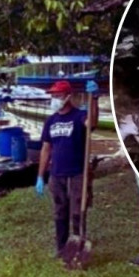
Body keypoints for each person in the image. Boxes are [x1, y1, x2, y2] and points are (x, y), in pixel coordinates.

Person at [35, 80, 98, 258]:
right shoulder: (51, 121)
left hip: (78, 172)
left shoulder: (79, 116)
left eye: (58, 95)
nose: (55, 99)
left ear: (68, 97)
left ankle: (78, 242)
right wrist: (40, 176)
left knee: (78, 210)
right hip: (57, 173)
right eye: (53, 96)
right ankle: (61, 247)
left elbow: (92, 123)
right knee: (60, 211)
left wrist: (94, 100)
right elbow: (46, 148)